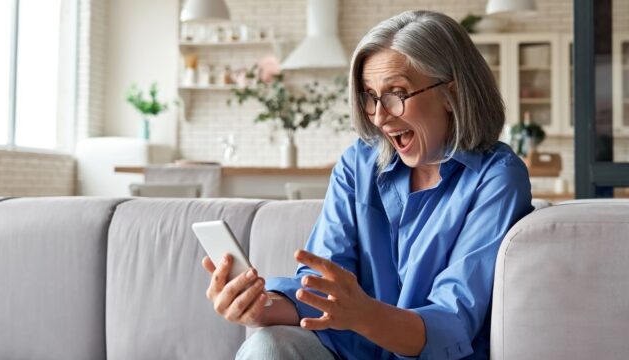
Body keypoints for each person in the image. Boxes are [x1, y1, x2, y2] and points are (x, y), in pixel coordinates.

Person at [201, 10, 533, 360]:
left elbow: (453, 322)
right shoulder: (358, 164)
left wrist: (364, 313)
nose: (378, 116)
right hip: (349, 351)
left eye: (395, 93)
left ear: (450, 93)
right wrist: (261, 305)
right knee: (265, 346)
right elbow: (322, 285)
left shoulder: (497, 177)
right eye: (370, 96)